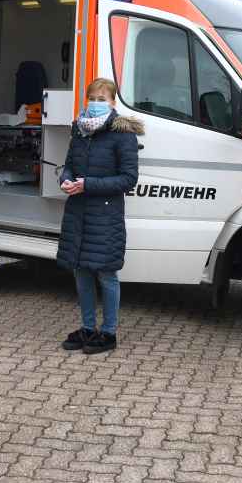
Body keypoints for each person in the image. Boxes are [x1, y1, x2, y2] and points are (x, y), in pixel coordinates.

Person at [57, 78, 143, 355]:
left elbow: (129, 179)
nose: (95, 104)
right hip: (79, 212)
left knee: (107, 275)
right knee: (80, 271)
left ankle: (108, 333)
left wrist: (88, 184)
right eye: (92, 98)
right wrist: (66, 180)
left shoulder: (123, 133)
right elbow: (69, 164)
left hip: (105, 215)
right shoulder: (79, 130)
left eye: (102, 99)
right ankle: (87, 328)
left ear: (113, 102)